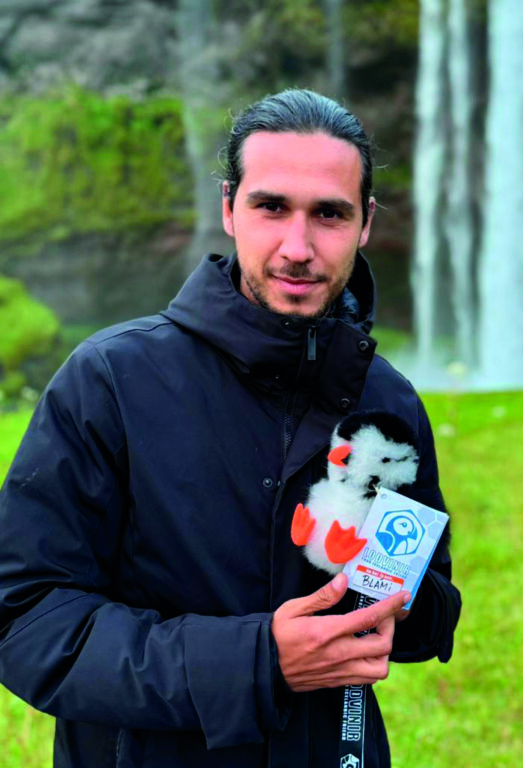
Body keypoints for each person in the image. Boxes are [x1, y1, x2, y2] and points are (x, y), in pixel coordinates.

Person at [0, 89, 461, 768]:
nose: (298, 247)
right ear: (228, 208)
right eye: (271, 207)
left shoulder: (386, 400)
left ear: (365, 223)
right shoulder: (110, 381)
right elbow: (28, 620)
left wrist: (399, 600)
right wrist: (257, 660)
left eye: (328, 214)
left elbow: (426, 612)